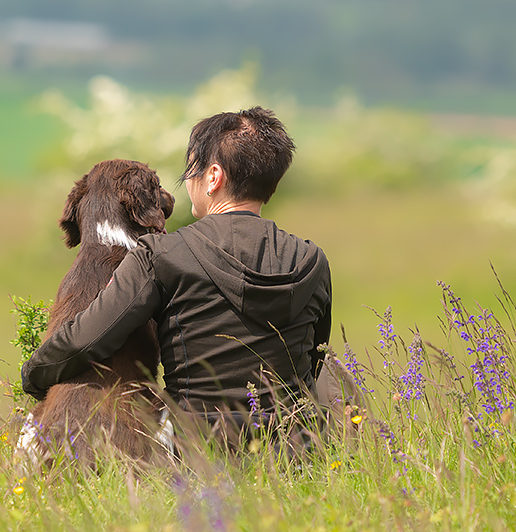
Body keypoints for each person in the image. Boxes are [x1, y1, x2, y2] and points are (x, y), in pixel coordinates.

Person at [20, 106, 332, 449]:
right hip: (293, 455)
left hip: (197, 457)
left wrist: (33, 377)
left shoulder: (163, 255)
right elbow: (313, 363)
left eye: (191, 171)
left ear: (214, 177)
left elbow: (86, 339)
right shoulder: (312, 262)